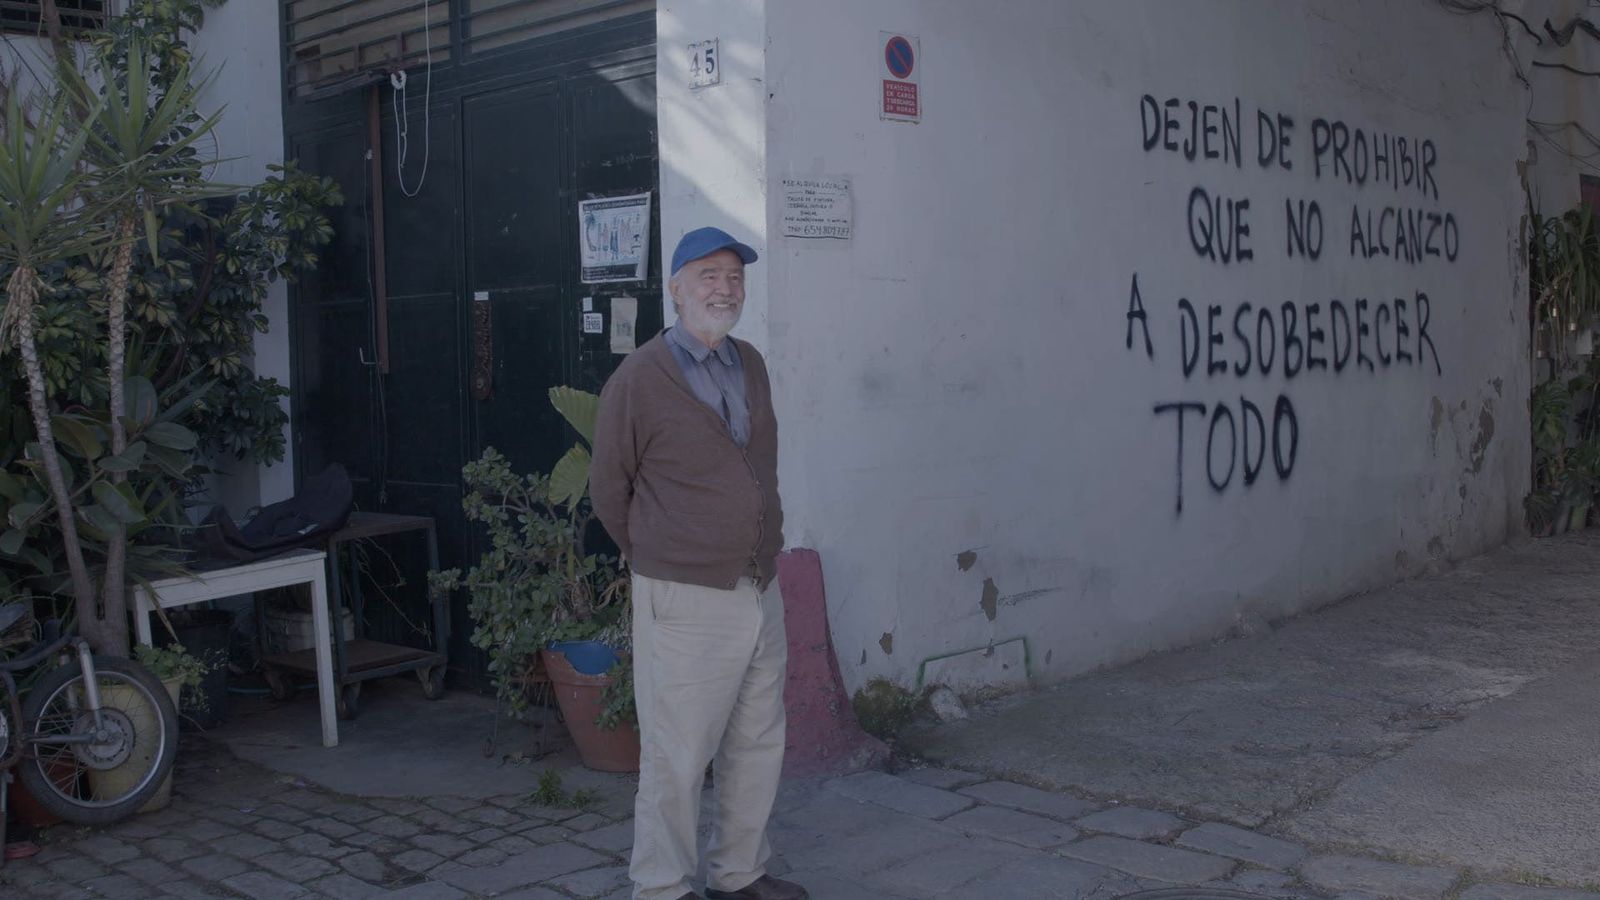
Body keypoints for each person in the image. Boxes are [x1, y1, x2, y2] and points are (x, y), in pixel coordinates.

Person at [591, 227, 808, 900]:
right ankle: (660, 887)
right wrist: (659, 552)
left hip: (756, 583)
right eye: (709, 275)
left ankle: (739, 873)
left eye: (735, 277)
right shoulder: (639, 378)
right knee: (678, 754)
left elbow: (754, 464)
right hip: (683, 592)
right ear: (677, 287)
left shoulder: (750, 363)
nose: (724, 288)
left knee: (756, 739)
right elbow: (609, 489)